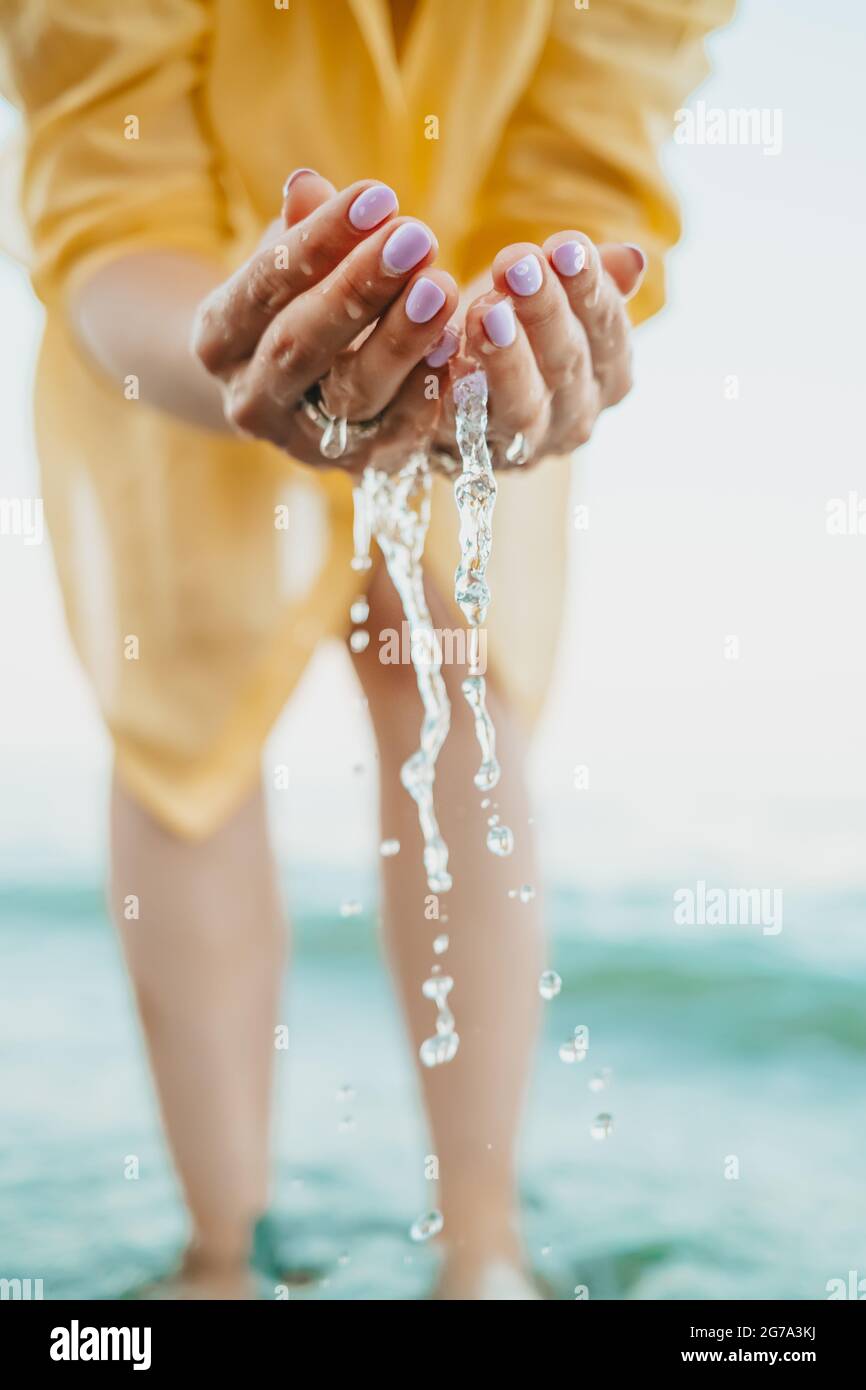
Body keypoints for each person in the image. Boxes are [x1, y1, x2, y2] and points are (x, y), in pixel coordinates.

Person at [0, 0, 733, 1299]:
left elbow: (586, 158)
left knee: (451, 664)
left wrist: (537, 323)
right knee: (186, 726)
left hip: (473, 342)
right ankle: (219, 1254)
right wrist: (235, 345)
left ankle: (481, 1248)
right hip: (181, 339)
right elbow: (108, 196)